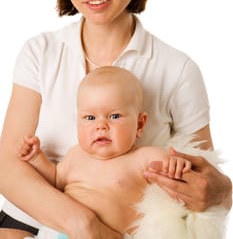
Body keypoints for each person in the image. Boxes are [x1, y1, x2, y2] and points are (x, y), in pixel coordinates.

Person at [0, 0, 231, 239]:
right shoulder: (40, 52)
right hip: (35, 213)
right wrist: (83, 224)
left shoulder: (176, 69)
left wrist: (222, 191)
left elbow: (205, 182)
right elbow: (7, 167)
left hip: (123, 227)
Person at [17, 66, 192, 238]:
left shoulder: (143, 158)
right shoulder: (75, 155)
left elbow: (177, 172)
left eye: (114, 116)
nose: (101, 126)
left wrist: (177, 164)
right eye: (90, 118)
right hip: (57, 232)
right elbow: (55, 181)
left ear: (139, 124)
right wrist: (37, 158)